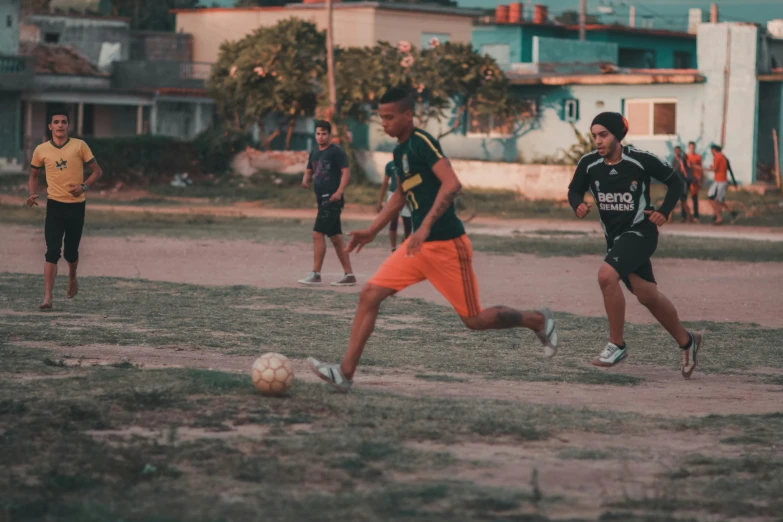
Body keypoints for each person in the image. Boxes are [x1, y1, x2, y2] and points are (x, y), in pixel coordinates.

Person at [307, 88, 558, 392]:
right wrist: (372, 230)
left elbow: (452, 184)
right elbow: (400, 195)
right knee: (369, 295)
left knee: (474, 320)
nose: (384, 123)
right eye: (381, 118)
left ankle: (537, 320)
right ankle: (345, 374)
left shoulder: (422, 142)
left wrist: (424, 227)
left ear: (408, 115)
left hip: (447, 247)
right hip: (415, 248)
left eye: (389, 117)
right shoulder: (399, 153)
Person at [567, 112, 702, 379]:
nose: (598, 141)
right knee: (647, 295)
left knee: (606, 276)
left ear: (618, 135)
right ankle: (688, 341)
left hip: (641, 232)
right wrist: (577, 204)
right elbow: (574, 190)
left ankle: (617, 345)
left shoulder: (640, 160)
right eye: (594, 135)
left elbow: (675, 181)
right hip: (616, 239)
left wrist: (664, 210)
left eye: (603, 134)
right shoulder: (589, 163)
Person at [26, 108, 103, 310]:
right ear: (50, 126)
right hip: (54, 206)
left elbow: (97, 171)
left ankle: (72, 277)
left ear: (68, 125)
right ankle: (47, 297)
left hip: (77, 206)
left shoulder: (80, 146)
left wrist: (83, 186)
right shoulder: (41, 150)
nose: (60, 125)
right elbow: (33, 175)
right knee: (52, 251)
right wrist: (31, 194)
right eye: (56, 122)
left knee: (70, 252)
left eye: (64, 122)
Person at [298, 120, 357, 286]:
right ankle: (349, 275)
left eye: (324, 133)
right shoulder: (315, 152)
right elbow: (310, 169)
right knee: (336, 238)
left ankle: (316, 273)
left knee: (317, 233)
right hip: (321, 199)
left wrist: (339, 192)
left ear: (329, 135)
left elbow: (346, 172)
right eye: (318, 133)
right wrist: (305, 179)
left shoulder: (336, 152)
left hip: (332, 199)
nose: (320, 136)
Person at [376, 160, 412, 251]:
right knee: (393, 221)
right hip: (393, 194)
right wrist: (380, 201)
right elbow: (385, 182)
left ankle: (405, 244)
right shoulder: (390, 165)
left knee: (408, 223)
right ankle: (393, 247)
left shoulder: (409, 163)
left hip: (406, 194)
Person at [706, 144, 738, 225]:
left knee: (716, 200)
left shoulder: (717, 157)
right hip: (718, 180)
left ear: (714, 150)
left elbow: (715, 169)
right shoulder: (723, 157)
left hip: (720, 181)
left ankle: (719, 217)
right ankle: (730, 212)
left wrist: (709, 168)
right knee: (713, 198)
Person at [672, 145, 693, 223]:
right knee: (679, 200)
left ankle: (689, 217)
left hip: (682, 181)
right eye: (676, 150)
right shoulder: (674, 160)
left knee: (683, 199)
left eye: (678, 151)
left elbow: (685, 169)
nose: (677, 152)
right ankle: (684, 217)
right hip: (676, 181)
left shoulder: (682, 159)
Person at [685, 142, 703, 222]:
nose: (692, 148)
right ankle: (685, 216)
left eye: (693, 147)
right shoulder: (686, 156)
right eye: (690, 147)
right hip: (687, 178)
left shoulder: (698, 156)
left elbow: (700, 167)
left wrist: (700, 177)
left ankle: (696, 216)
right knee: (684, 197)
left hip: (695, 178)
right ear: (688, 147)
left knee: (694, 197)